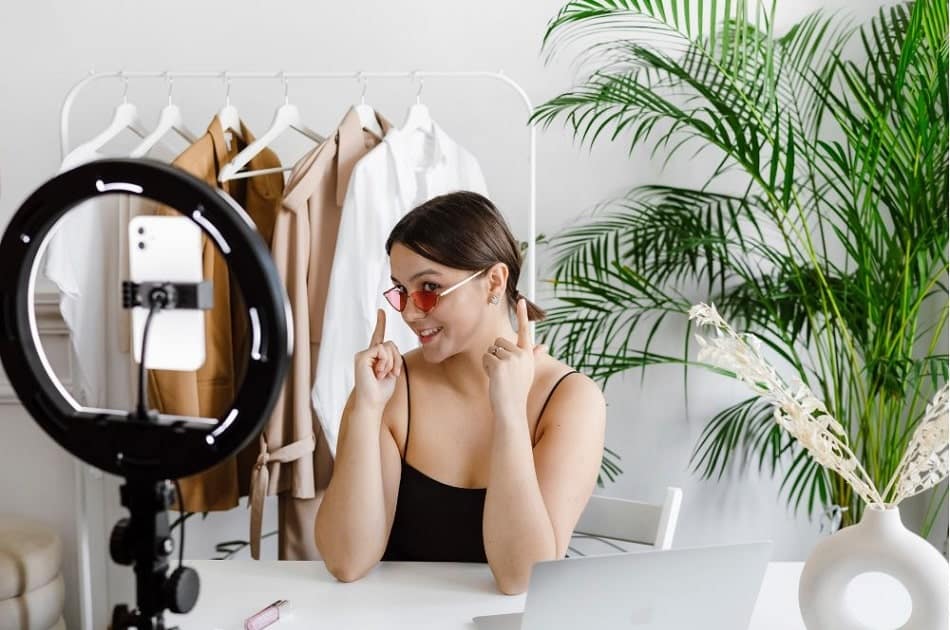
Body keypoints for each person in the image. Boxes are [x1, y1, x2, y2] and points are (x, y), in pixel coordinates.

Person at [314, 191, 606, 595]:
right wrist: (365, 410)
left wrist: (508, 414)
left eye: (429, 287)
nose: (410, 312)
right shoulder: (392, 388)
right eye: (401, 290)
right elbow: (346, 562)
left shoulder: (571, 400)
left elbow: (521, 578)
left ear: (494, 281)